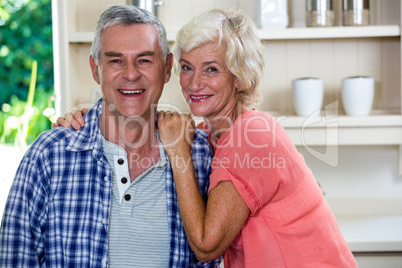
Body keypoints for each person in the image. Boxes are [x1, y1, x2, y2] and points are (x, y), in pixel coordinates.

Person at [53, 7, 357, 268]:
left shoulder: (251, 134)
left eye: (211, 69)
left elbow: (205, 245)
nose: (194, 83)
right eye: (187, 68)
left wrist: (177, 151)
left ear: (239, 75)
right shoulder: (222, 135)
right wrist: (94, 117)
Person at [0, 5, 222, 267]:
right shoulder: (49, 156)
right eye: (115, 60)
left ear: (166, 68)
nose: (130, 74)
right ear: (96, 69)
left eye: (145, 60)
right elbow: (15, 258)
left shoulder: (198, 155)